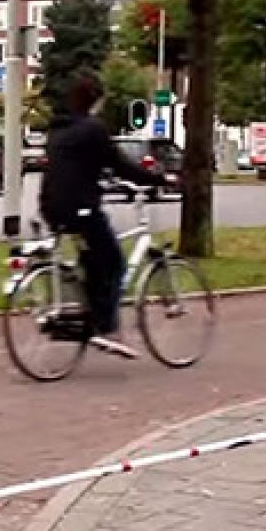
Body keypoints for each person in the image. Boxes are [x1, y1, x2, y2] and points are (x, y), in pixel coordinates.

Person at [40, 72, 168, 358]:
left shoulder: (59, 130)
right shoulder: (93, 129)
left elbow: (81, 166)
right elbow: (118, 163)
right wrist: (157, 179)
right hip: (80, 208)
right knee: (115, 263)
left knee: (93, 261)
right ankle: (107, 329)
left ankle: (87, 316)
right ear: (96, 100)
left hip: (51, 206)